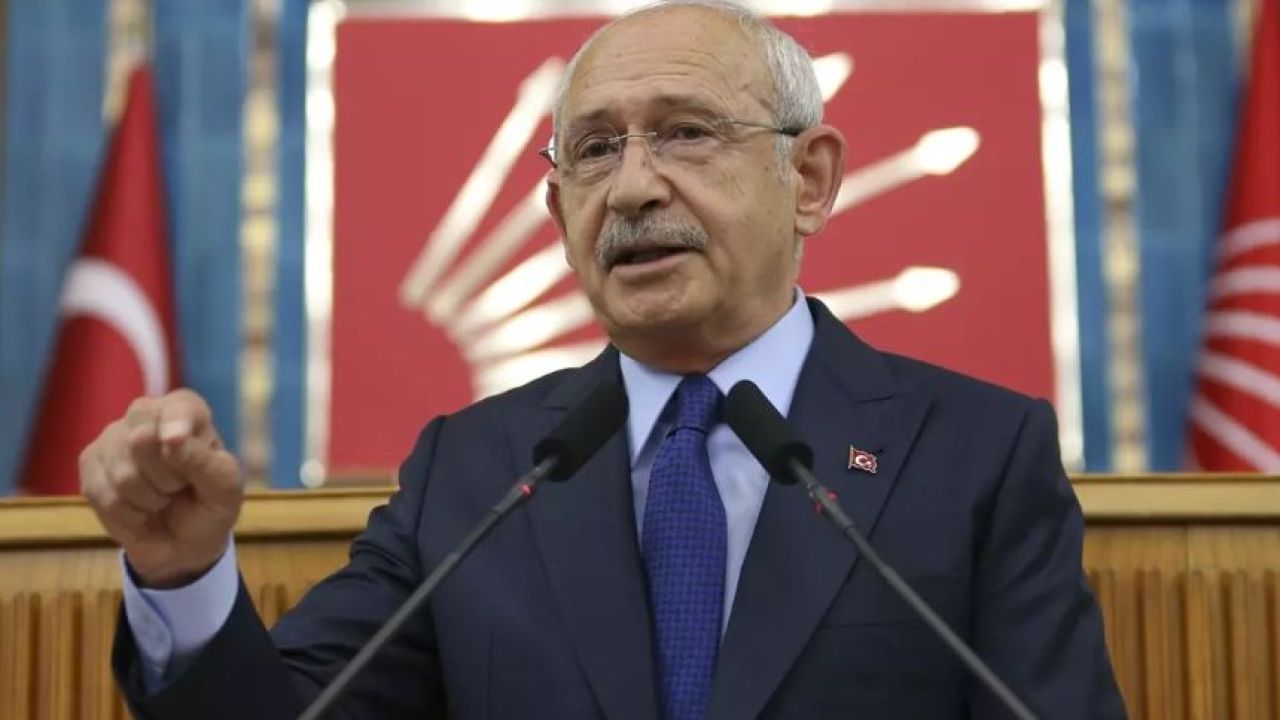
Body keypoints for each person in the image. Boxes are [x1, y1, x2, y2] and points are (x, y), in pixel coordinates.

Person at [82, 1, 1125, 717]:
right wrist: (183, 574)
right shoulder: (474, 472)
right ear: (558, 209)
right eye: (592, 151)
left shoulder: (977, 454)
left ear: (807, 179)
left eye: (685, 134)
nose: (630, 189)